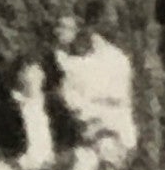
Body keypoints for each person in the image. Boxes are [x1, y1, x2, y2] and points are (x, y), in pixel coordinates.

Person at [55, 10, 137, 157]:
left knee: (103, 163)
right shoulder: (80, 63)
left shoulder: (115, 59)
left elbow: (117, 98)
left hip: (112, 130)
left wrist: (91, 107)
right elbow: (71, 94)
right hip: (88, 131)